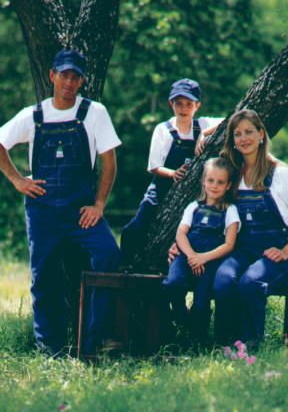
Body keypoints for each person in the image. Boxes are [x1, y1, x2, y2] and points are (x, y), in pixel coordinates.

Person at [0, 48, 121, 357]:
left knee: (108, 255)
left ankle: (95, 342)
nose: (69, 82)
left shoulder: (94, 113)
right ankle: (48, 350)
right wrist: (17, 180)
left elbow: (109, 163)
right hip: (43, 213)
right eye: (64, 75)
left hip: (81, 211)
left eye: (75, 77)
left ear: (82, 81)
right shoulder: (33, 115)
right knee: (43, 278)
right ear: (52, 75)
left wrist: (99, 205)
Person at [213, 109, 288, 347]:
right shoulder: (231, 174)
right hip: (242, 249)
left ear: (261, 134)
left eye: (249, 132)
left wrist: (286, 251)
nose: (243, 138)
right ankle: (224, 346)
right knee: (223, 280)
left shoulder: (281, 174)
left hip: (274, 254)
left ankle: (250, 346)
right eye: (237, 134)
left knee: (250, 282)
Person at [121, 78, 223, 268]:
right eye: (178, 103)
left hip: (191, 194)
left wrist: (205, 134)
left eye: (188, 104)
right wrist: (172, 174)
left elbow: (233, 119)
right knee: (137, 226)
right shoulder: (164, 130)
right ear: (171, 104)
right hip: (161, 186)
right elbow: (153, 166)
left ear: (197, 105)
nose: (183, 109)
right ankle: (125, 265)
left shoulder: (202, 124)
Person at [162, 157, 240, 345]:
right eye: (210, 180)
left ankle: (198, 339)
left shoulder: (230, 210)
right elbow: (181, 234)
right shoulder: (193, 207)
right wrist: (191, 256)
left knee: (202, 299)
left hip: (210, 260)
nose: (214, 186)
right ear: (203, 181)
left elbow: (229, 244)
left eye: (220, 182)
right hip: (186, 255)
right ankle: (181, 318)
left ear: (228, 186)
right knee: (173, 283)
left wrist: (202, 259)